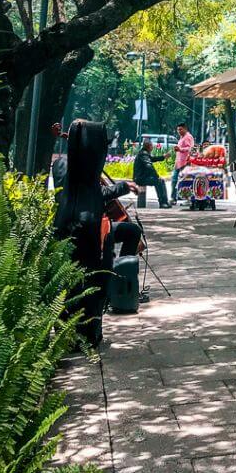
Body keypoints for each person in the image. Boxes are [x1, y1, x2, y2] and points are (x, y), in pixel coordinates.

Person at [53, 119, 139, 346]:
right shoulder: (87, 173)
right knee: (95, 276)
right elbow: (98, 193)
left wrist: (69, 142)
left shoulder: (62, 168)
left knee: (69, 283)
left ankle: (68, 333)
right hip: (91, 232)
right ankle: (93, 327)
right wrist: (122, 186)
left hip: (65, 227)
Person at [133, 139, 172, 208]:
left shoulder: (144, 153)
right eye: (152, 145)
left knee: (161, 181)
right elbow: (149, 166)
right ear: (149, 146)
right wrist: (156, 176)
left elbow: (153, 159)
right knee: (159, 181)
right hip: (140, 179)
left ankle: (165, 202)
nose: (153, 147)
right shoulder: (143, 154)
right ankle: (162, 203)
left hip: (142, 177)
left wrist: (164, 156)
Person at [171, 122, 195, 203]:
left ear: (185, 129)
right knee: (175, 180)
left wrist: (180, 149)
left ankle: (181, 198)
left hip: (185, 163)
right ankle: (174, 198)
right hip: (179, 163)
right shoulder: (182, 137)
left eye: (180, 129)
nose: (179, 131)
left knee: (183, 181)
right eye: (178, 130)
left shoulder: (188, 137)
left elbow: (190, 149)